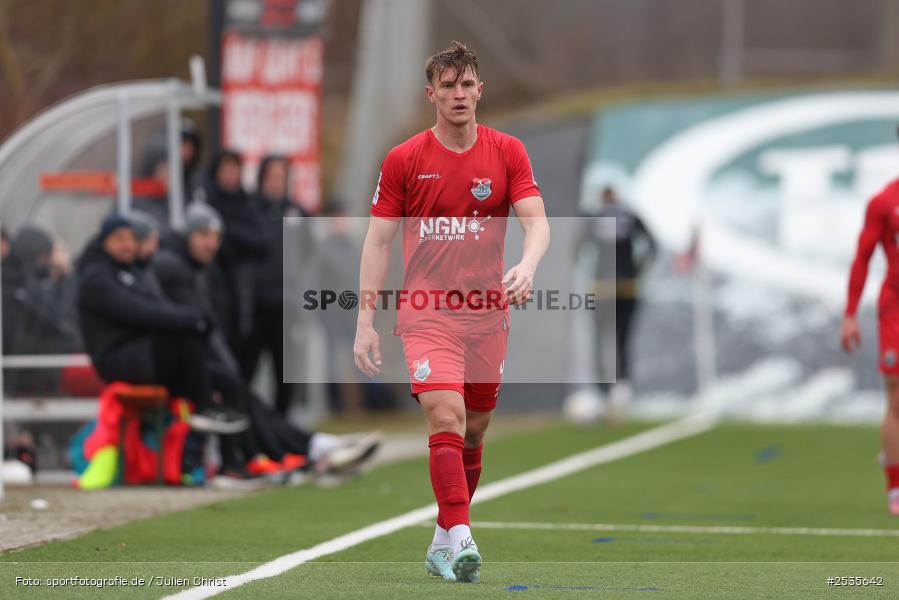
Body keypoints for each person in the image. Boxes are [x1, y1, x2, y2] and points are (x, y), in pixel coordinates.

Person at [353, 41, 549, 583]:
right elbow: (377, 242)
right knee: (446, 416)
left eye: (467, 85)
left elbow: (538, 222)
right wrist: (365, 321)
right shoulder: (404, 159)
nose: (458, 94)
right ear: (431, 94)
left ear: (479, 90)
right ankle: (462, 535)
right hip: (426, 313)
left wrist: (528, 266)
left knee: (475, 430)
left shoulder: (508, 151)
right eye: (448, 86)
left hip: (488, 314)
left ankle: (442, 539)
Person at [152, 203, 381, 481]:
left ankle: (309, 449)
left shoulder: (191, 267)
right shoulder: (173, 268)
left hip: (192, 364)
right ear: (188, 234)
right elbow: (192, 324)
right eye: (203, 234)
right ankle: (301, 453)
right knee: (239, 398)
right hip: (178, 368)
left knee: (247, 399)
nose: (211, 243)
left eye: (215, 236)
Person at [75, 215, 248, 434]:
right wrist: (193, 318)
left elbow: (158, 307)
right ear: (104, 242)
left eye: (131, 239)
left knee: (228, 381)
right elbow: (139, 311)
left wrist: (196, 319)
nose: (127, 245)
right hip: (119, 359)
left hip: (147, 355)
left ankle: (233, 462)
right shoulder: (97, 277)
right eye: (119, 239)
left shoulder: (135, 272)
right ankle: (203, 408)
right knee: (185, 334)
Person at [842, 155, 899, 516]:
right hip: (896, 307)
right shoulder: (884, 201)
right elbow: (862, 257)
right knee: (896, 398)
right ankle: (896, 486)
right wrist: (850, 314)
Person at [577, 185, 657, 421]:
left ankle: (604, 391)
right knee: (622, 339)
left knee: (600, 340)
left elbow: (576, 250)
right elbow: (652, 247)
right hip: (626, 287)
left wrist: (587, 273)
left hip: (602, 288)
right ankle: (620, 388)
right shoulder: (630, 217)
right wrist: (637, 269)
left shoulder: (593, 219)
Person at [241, 154, 308, 415]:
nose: (277, 183)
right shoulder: (249, 211)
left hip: (287, 308)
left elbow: (308, 253)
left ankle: (282, 435)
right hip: (255, 307)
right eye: (273, 177)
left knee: (286, 377)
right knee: (246, 372)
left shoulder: (297, 212)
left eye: (282, 177)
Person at [194, 150, 268, 352]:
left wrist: (230, 229)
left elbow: (262, 240)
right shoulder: (205, 202)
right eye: (226, 170)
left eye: (236, 170)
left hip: (243, 293)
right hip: (213, 284)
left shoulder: (247, 202)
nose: (231, 175)